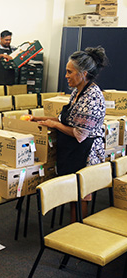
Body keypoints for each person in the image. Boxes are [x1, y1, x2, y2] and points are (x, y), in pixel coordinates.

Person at [31, 47, 108, 222]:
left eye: (69, 72)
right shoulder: (77, 92)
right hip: (73, 150)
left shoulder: (92, 97)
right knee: (72, 192)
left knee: (80, 194)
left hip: (84, 152)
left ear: (83, 73)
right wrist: (40, 119)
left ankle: (77, 232)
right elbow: (64, 119)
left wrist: (53, 125)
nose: (66, 76)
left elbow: (80, 133)